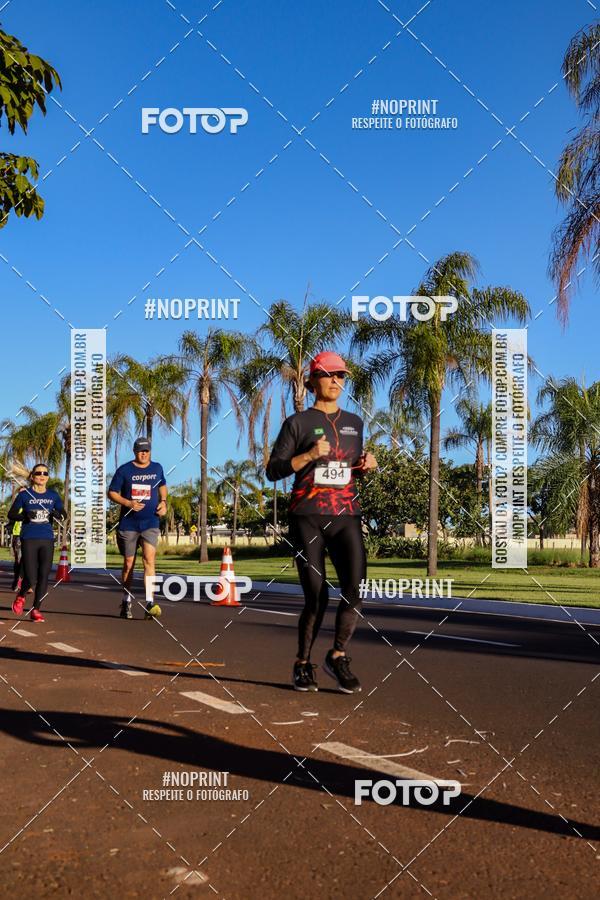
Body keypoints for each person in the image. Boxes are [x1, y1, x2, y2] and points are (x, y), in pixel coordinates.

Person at [266, 351, 377, 694]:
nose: (336, 381)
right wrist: (310, 455)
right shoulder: (296, 424)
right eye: (329, 375)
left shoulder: (355, 423)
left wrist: (364, 465)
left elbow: (347, 466)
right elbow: (274, 470)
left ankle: (338, 654)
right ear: (313, 380)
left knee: (355, 587)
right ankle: (302, 662)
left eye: (341, 376)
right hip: (307, 516)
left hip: (346, 514)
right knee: (316, 595)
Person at [108, 437, 167, 620]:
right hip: (129, 524)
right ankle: (126, 600)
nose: (144, 453)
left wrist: (164, 502)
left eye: (147, 451)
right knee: (128, 565)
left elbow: (163, 486)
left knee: (149, 560)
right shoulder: (125, 470)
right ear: (135, 451)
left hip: (150, 522)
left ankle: (150, 602)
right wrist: (128, 503)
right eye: (141, 450)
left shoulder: (157, 468)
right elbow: (111, 492)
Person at [8, 465, 65, 622]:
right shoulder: (25, 495)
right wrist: (26, 515)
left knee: (44, 575)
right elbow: (11, 514)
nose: (42, 475)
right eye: (38, 473)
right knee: (31, 577)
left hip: (47, 538)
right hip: (29, 538)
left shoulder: (53, 495)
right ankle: (21, 596)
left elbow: (63, 514)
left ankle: (36, 610)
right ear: (32, 476)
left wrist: (56, 513)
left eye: (45, 473)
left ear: (48, 477)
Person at [10, 516, 23, 592]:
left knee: (27, 560)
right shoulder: (19, 507)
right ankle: (17, 581)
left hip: (30, 535)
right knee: (19, 560)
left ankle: (21, 581)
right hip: (18, 535)